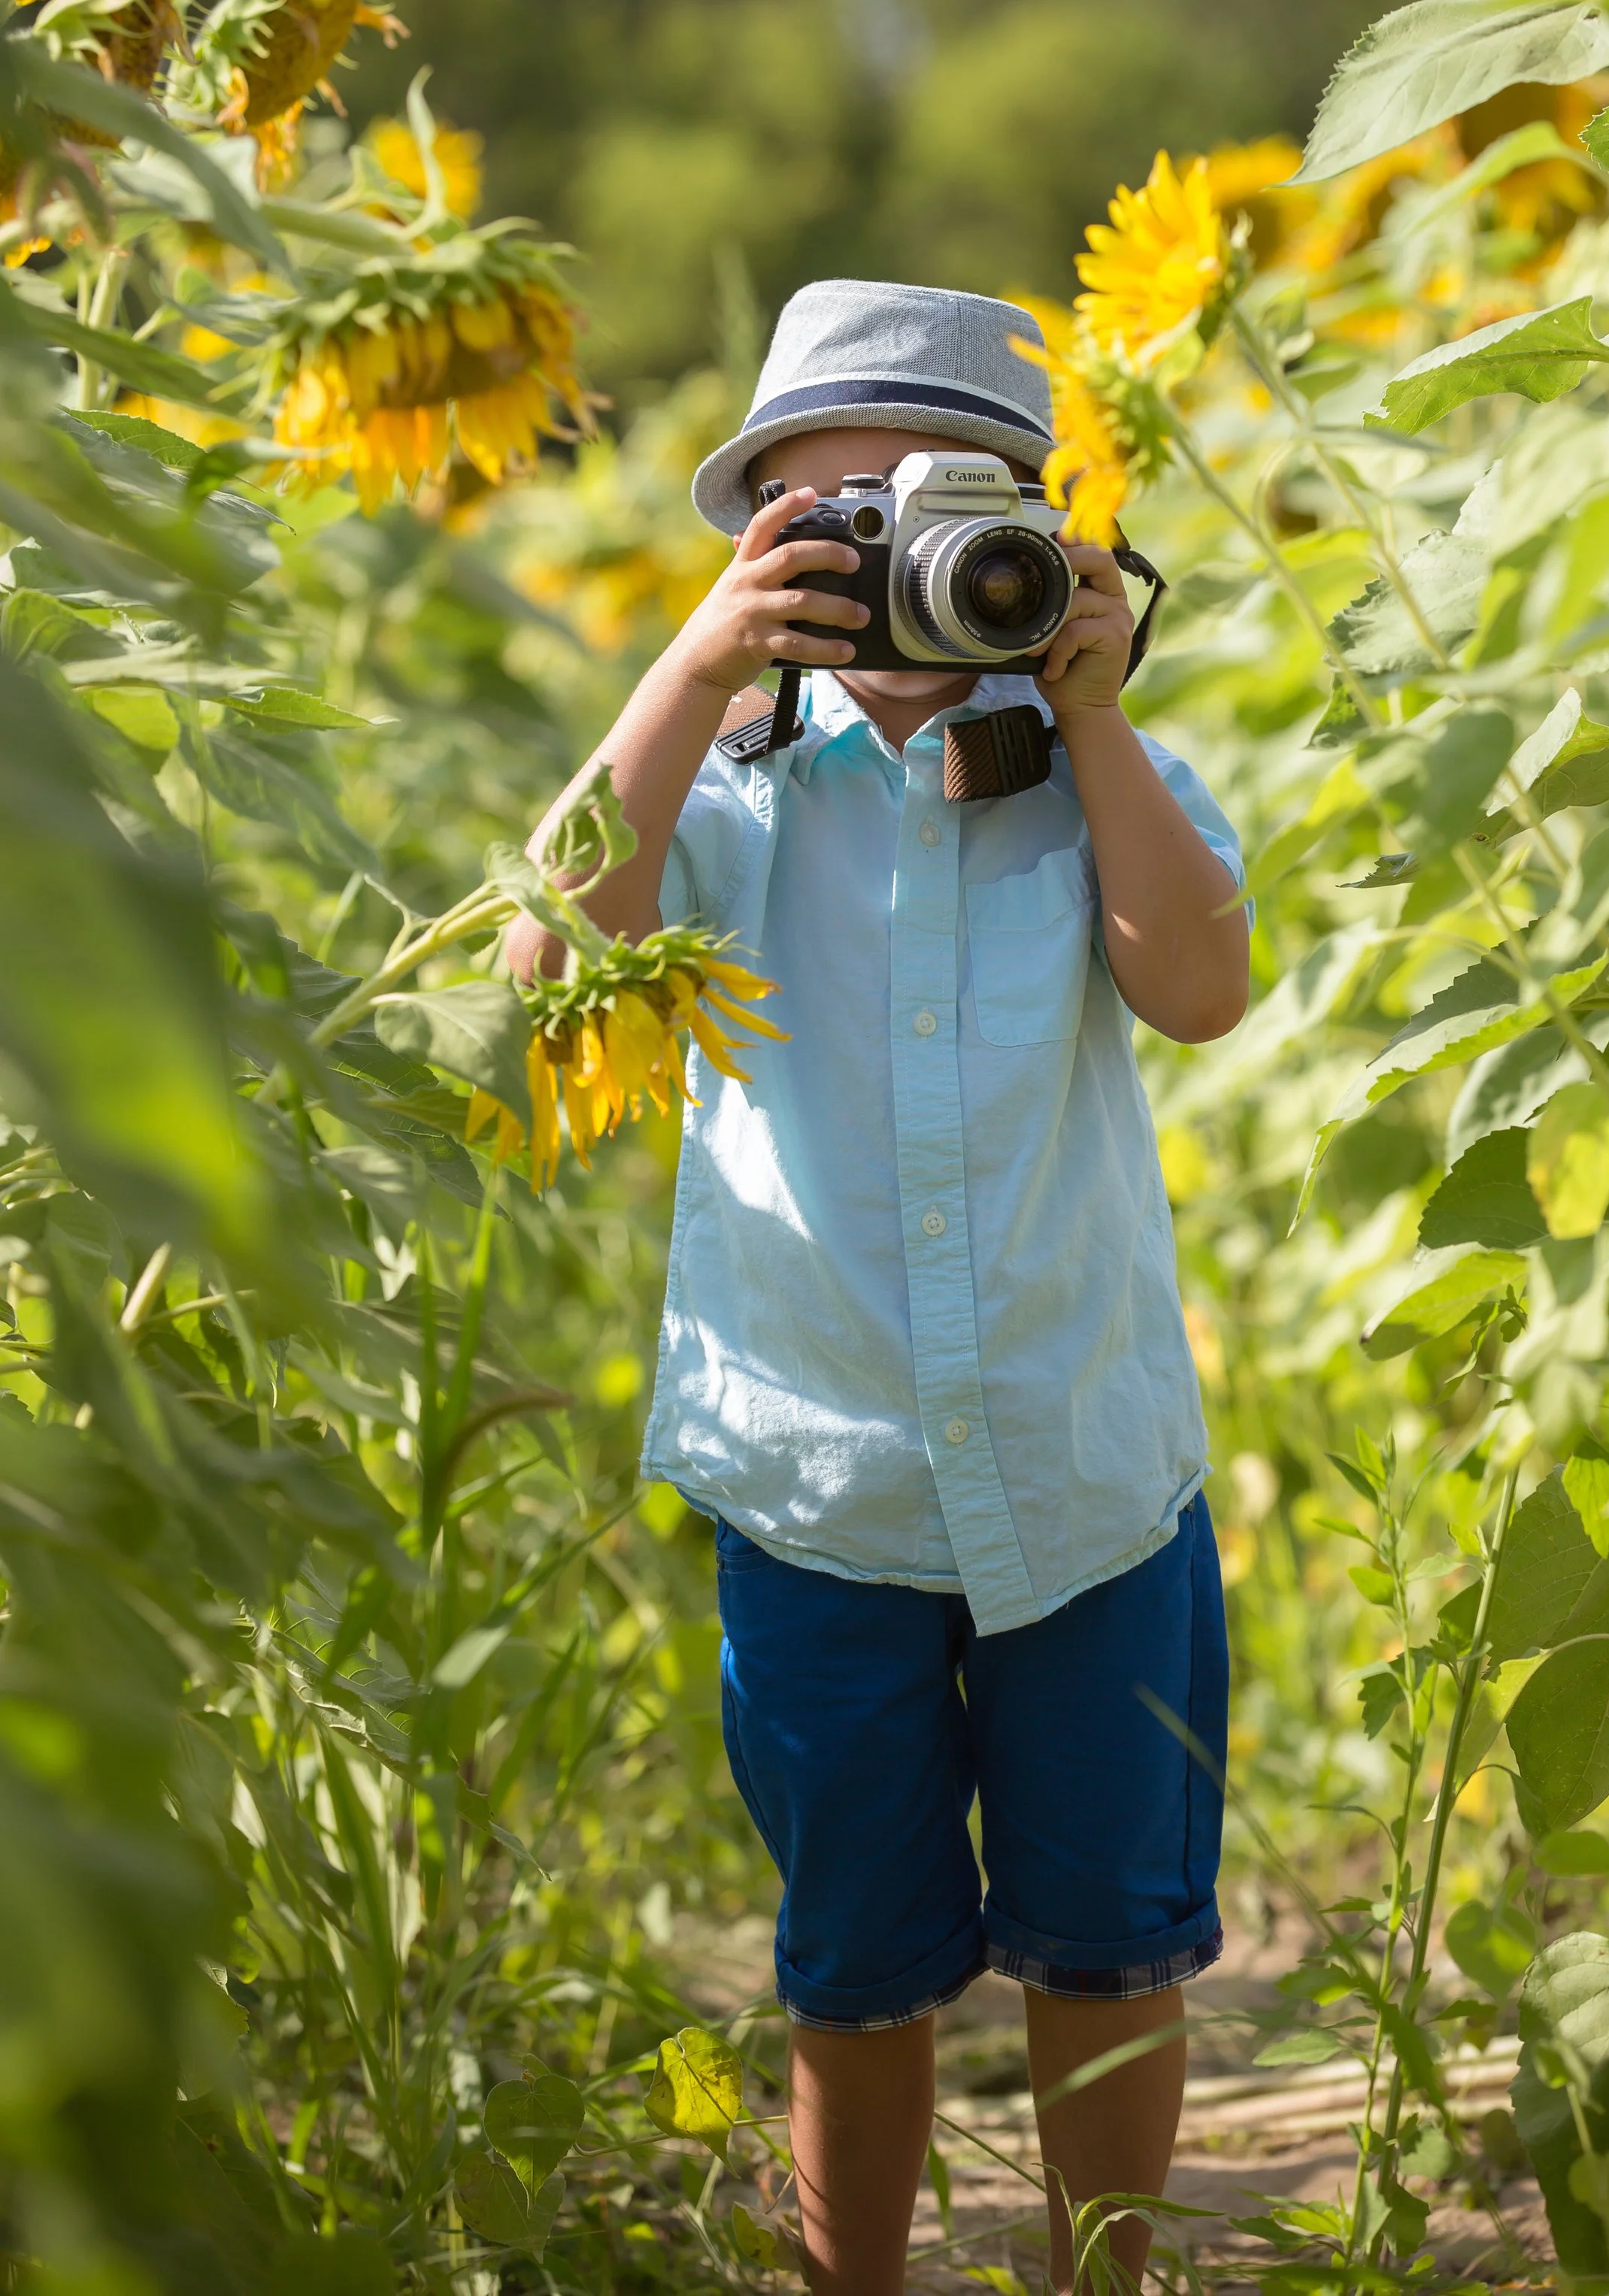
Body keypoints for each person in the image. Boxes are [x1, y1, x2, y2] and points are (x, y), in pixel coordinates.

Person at [509, 280, 1249, 2296]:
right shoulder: (725, 790)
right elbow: (550, 958)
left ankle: (1105, 2273)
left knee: (1109, 1934)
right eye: (834, 533)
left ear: (1051, 548)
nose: (898, 574)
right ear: (756, 555)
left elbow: (1197, 986)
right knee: (855, 1957)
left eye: (947, 526)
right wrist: (681, 673)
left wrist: (1091, 706)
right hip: (814, 1466)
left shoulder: (1109, 779)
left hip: (1080, 1466)